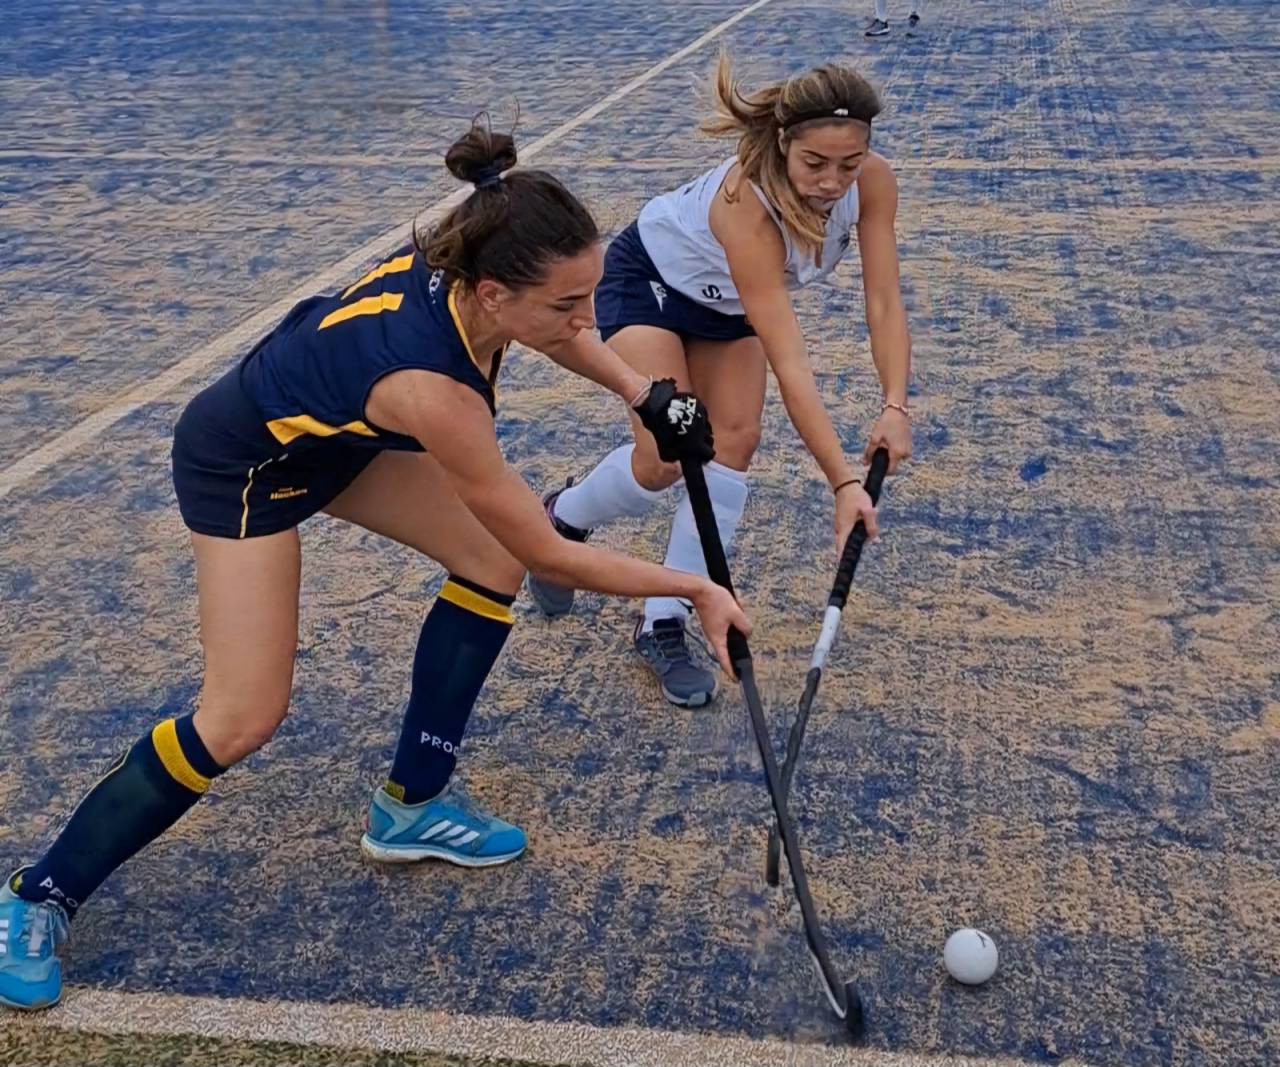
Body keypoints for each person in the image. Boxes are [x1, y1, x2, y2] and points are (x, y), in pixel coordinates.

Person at [0, 122, 749, 1011]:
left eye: (592, 296)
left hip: (334, 432)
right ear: (491, 294)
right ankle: (37, 895)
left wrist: (646, 395)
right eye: (565, 304)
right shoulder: (434, 391)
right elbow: (551, 549)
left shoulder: (481, 251)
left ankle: (412, 805)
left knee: (486, 563)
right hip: (246, 462)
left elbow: (561, 333)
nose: (588, 322)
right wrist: (695, 584)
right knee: (241, 716)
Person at [527, 57, 912, 708]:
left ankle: (663, 617)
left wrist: (895, 402)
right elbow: (790, 360)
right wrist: (842, 480)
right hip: (650, 282)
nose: (832, 181)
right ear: (785, 141)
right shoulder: (746, 207)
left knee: (734, 438)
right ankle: (559, 521)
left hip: (725, 307)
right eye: (816, 162)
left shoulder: (872, 186)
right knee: (665, 459)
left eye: (850, 163)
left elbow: (883, 301)